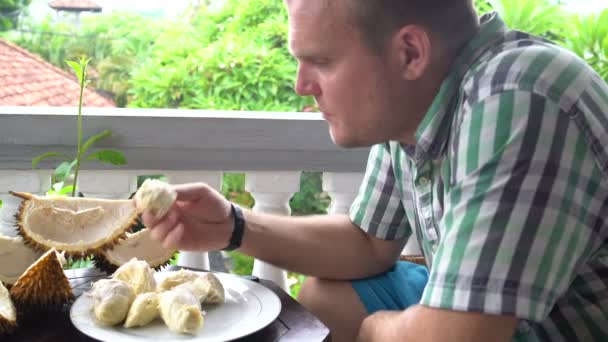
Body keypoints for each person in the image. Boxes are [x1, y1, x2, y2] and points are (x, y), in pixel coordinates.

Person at [141, 0, 608, 341]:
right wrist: (233, 226)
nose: (303, 85)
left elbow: (462, 335)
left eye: (320, 62)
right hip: (493, 320)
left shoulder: (518, 97)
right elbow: (367, 243)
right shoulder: (414, 109)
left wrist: (377, 331)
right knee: (329, 297)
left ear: (410, 52)